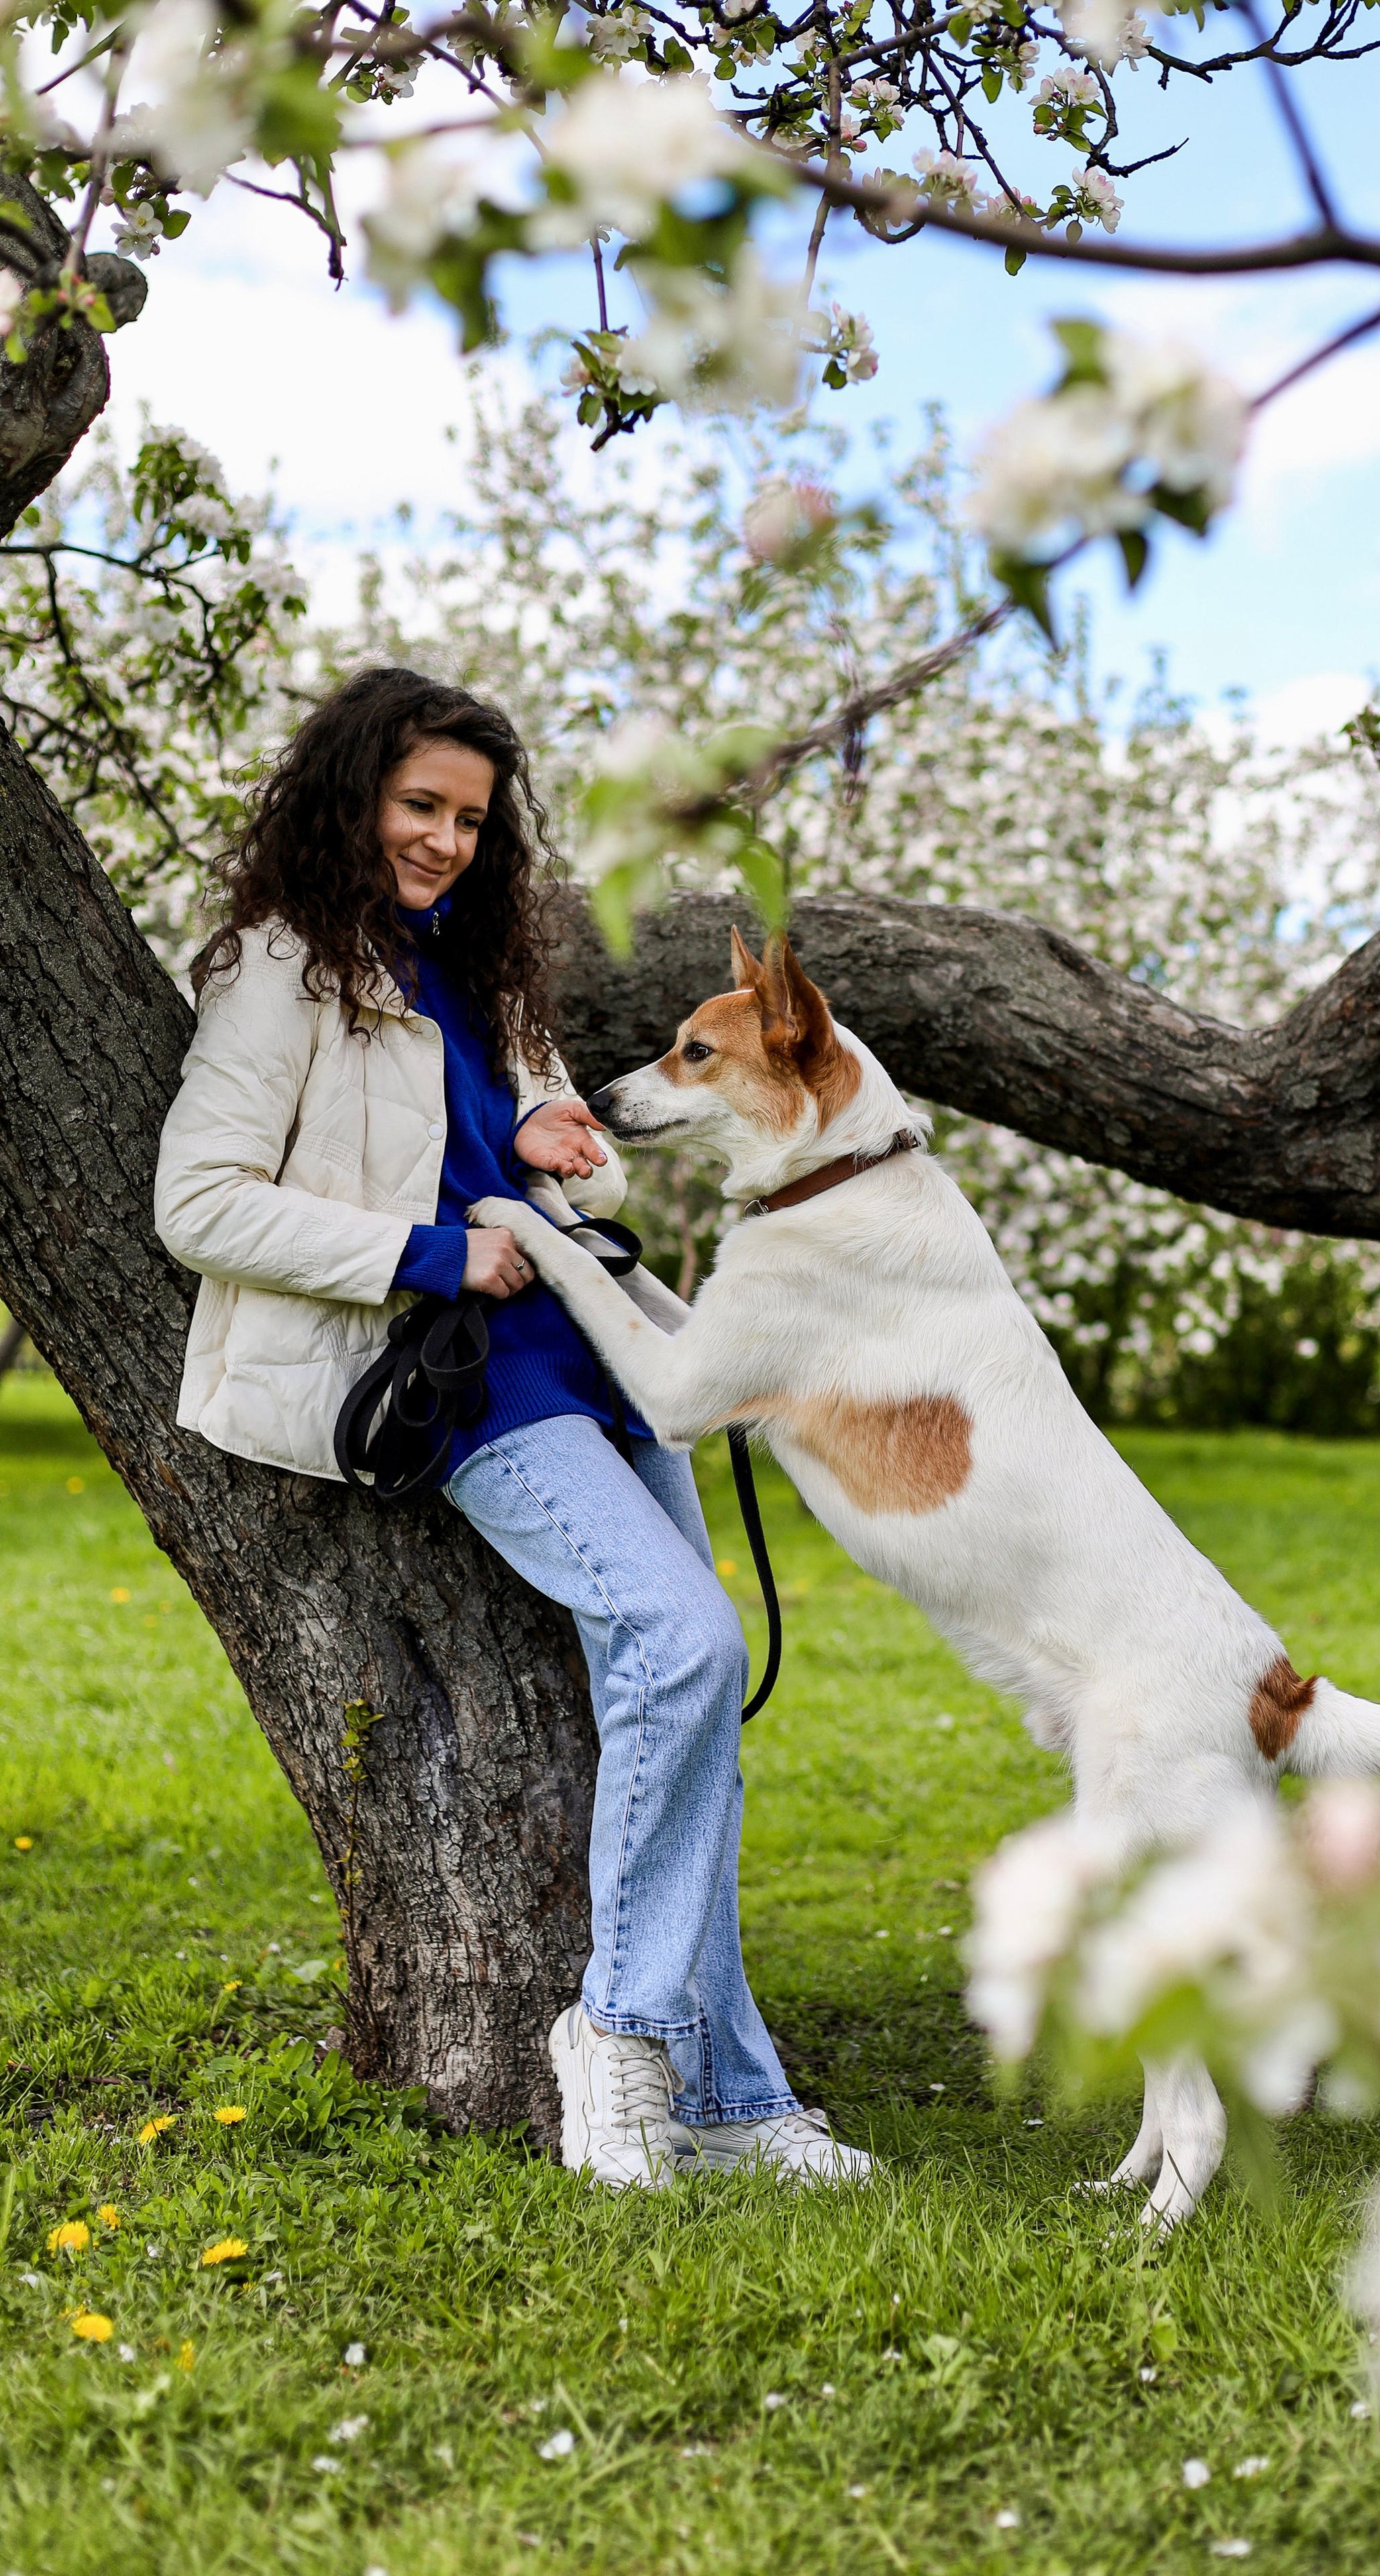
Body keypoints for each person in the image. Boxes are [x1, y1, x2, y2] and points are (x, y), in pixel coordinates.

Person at [154, 665, 869, 2188]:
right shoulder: (283, 971)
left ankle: (737, 2099)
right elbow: (197, 1202)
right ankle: (613, 2039)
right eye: (420, 805)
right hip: (464, 1378)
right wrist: (429, 1252)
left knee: (690, 1706)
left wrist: (564, 1146)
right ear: (354, 796)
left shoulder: (477, 968)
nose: (444, 842)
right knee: (682, 1647)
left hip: (600, 1351)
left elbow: (569, 1170)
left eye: (471, 818)